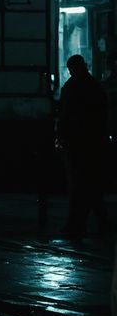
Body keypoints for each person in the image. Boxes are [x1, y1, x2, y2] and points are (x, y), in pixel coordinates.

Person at [57, 54, 109, 239]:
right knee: (92, 185)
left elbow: (64, 115)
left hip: (76, 143)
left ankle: (76, 224)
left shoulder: (71, 87)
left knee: (78, 185)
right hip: (94, 143)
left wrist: (60, 136)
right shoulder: (94, 86)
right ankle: (98, 221)